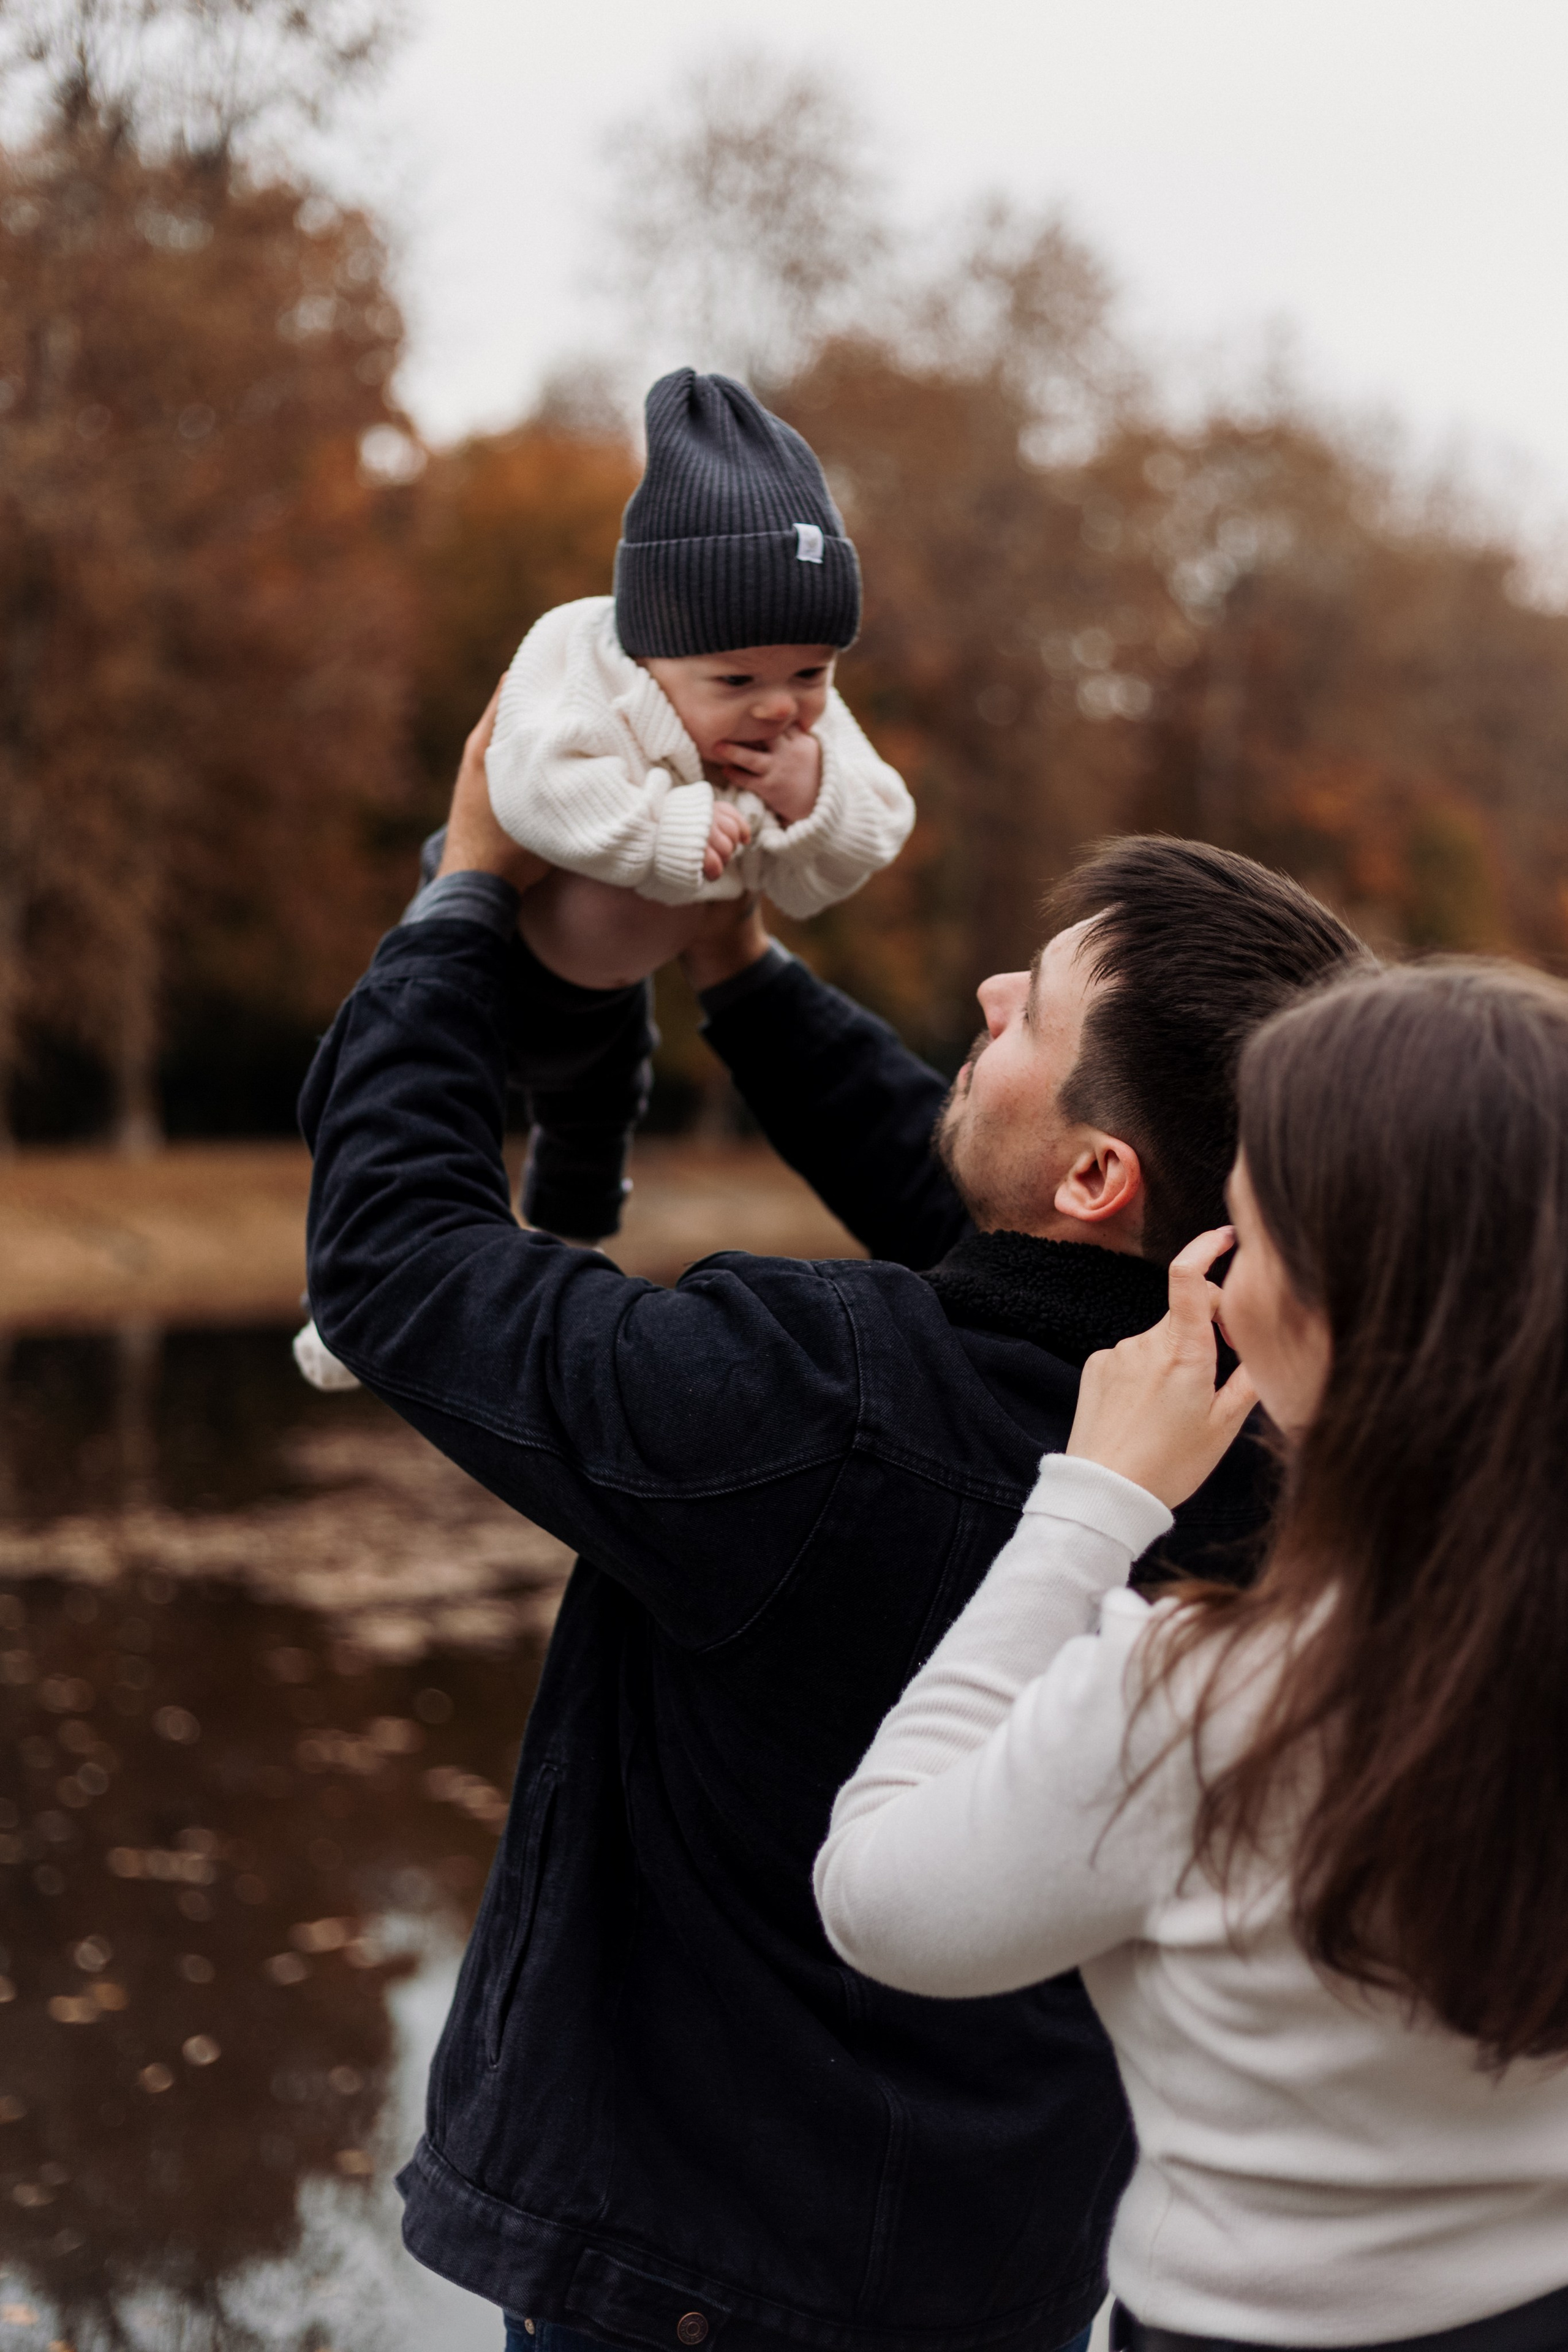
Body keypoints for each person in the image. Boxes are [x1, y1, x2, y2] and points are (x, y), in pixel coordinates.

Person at [298, 682, 1365, 2352]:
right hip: (1006, 2277)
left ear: (1100, 1175)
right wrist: (737, 970)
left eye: (1029, 1011)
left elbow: (397, 1263)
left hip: (687, 2287)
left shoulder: (808, 1407)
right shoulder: (1296, 1465)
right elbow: (1016, 1230)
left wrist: (462, 898)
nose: (993, 994)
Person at [816, 959, 1568, 2352]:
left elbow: (879, 1900)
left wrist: (1089, 1501)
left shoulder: (1192, 1699)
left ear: (1315, 1311)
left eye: (1247, 1227)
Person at [295, 371, 910, 1390]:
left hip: (613, 992)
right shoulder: (581, 659)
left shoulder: (805, 724)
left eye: (811, 674)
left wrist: (816, 798)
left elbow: (873, 832)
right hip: (491, 947)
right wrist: (671, 828)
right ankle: (341, 1307)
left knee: (591, 1127)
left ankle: (566, 1260)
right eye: (737, 683)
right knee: (376, 1081)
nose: (779, 709)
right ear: (650, 645)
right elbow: (527, 786)